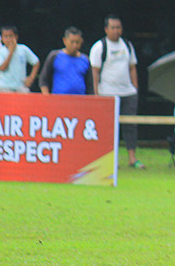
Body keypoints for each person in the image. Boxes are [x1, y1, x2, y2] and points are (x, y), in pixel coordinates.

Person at [90, 15, 142, 168]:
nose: (116, 31)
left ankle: (132, 158)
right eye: (113, 27)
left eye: (118, 27)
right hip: (107, 93)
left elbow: (132, 67)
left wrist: (135, 88)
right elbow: (95, 72)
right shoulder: (99, 47)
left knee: (130, 125)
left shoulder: (127, 45)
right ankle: (108, 158)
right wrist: (96, 94)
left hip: (128, 93)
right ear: (106, 29)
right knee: (107, 126)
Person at [39, 27, 93, 95]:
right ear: (64, 41)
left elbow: (90, 86)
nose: (74, 45)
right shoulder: (54, 56)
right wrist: (47, 98)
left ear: (81, 41)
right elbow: (43, 79)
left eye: (77, 42)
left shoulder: (85, 60)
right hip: (59, 100)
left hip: (80, 101)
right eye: (72, 42)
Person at [0, 25, 40, 92]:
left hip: (21, 86)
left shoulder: (23, 49)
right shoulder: (0, 51)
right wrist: (11, 52)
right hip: (5, 87)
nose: (9, 39)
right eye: (6, 36)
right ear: (2, 39)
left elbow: (36, 62)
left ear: (16, 37)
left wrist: (31, 78)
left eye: (11, 36)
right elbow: (2, 68)